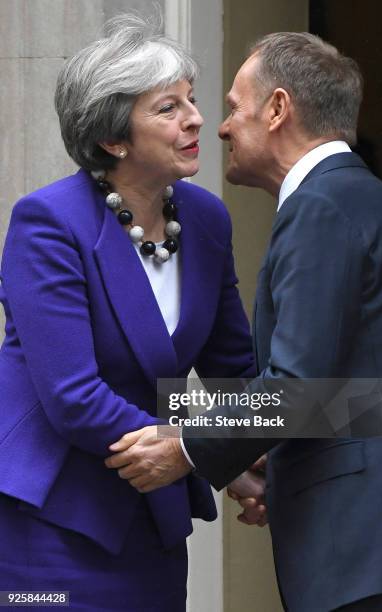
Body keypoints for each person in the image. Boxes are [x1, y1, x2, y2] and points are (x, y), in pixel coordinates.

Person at [106, 32, 382, 611]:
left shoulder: (319, 208)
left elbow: (294, 388)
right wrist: (265, 455)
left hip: (359, 543)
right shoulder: (381, 204)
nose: (219, 128)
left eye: (232, 108)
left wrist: (190, 448)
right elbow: (369, 393)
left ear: (277, 109)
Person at [0, 13, 256, 612]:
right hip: (53, 522)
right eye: (168, 108)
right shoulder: (48, 222)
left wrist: (244, 453)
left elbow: (234, 371)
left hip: (153, 518)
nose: (196, 118)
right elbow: (73, 395)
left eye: (191, 100)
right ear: (114, 139)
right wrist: (199, 452)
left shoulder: (207, 218)